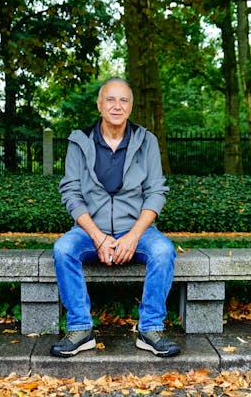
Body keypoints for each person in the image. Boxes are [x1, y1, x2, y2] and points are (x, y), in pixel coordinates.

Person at [51, 76, 180, 358]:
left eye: (124, 100)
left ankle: (150, 329)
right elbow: (71, 193)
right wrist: (97, 237)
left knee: (163, 251)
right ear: (99, 105)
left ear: (131, 107)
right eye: (110, 99)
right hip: (89, 230)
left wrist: (133, 237)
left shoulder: (147, 141)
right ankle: (80, 329)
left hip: (137, 229)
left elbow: (156, 192)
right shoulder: (79, 141)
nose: (117, 106)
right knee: (63, 250)